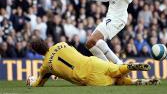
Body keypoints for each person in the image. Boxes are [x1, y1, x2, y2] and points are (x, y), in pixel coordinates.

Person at [26, 38, 159, 87]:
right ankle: (130, 67)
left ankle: (141, 82)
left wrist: (31, 82)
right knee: (117, 70)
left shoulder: (45, 67)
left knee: (116, 82)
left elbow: (39, 84)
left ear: (38, 52)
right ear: (44, 43)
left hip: (88, 78)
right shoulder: (62, 44)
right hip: (93, 62)